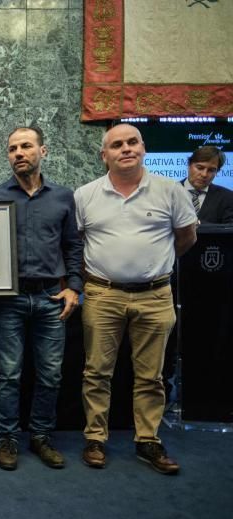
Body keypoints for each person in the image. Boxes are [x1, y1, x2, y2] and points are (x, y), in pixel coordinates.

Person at [75, 123, 197, 475]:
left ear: (143, 148)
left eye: (132, 142)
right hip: (102, 294)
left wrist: (153, 265)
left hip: (155, 296)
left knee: (152, 376)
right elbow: (78, 244)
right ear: (104, 155)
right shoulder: (85, 195)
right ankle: (95, 437)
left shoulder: (170, 190)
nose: (125, 149)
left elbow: (186, 237)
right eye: (117, 144)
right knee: (96, 372)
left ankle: (148, 440)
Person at [0, 126, 83, 471]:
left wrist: (75, 286)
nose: (18, 153)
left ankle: (41, 436)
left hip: (52, 298)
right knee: (9, 373)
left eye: (26, 146)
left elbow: (73, 246)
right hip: (8, 300)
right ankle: (7, 438)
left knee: (51, 374)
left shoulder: (63, 197)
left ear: (44, 151)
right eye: (12, 149)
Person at [181, 146, 233, 224]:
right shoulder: (167, 192)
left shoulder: (228, 197)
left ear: (217, 171)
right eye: (200, 168)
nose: (204, 174)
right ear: (189, 165)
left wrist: (197, 223)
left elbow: (229, 230)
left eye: (211, 170)